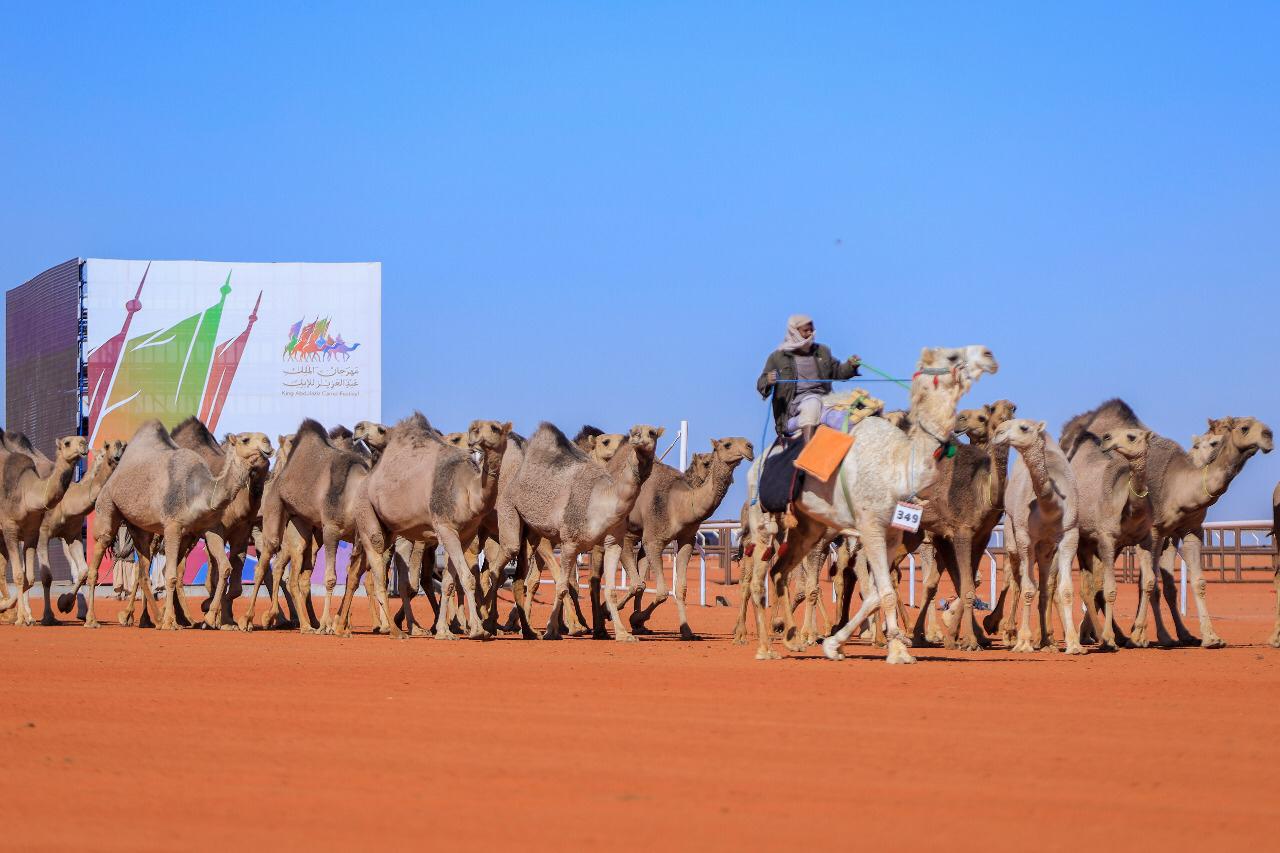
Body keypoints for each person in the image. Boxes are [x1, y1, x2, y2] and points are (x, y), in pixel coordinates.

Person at [757, 314, 861, 443]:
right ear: (794, 332)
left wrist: (851, 366)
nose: (810, 333)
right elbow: (761, 384)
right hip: (795, 409)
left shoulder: (822, 351)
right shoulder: (778, 357)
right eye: (805, 330)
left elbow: (838, 371)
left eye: (811, 329)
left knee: (847, 417)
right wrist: (768, 380)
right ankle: (809, 452)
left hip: (825, 402)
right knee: (812, 403)